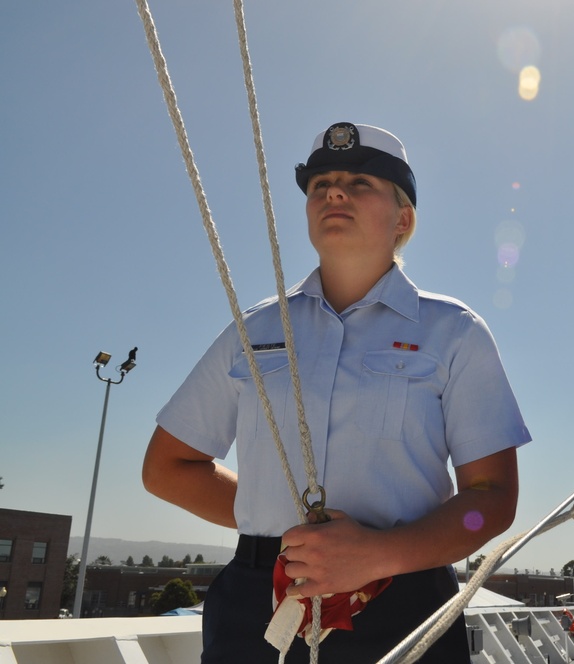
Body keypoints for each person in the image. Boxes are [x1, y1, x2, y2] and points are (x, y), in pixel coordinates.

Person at [142, 122, 531, 663]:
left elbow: (491, 499)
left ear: (403, 219)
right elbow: (166, 467)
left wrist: (374, 555)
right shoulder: (250, 332)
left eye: (359, 181)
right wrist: (292, 535)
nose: (333, 192)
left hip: (405, 607)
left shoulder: (455, 333)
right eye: (320, 183)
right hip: (257, 609)